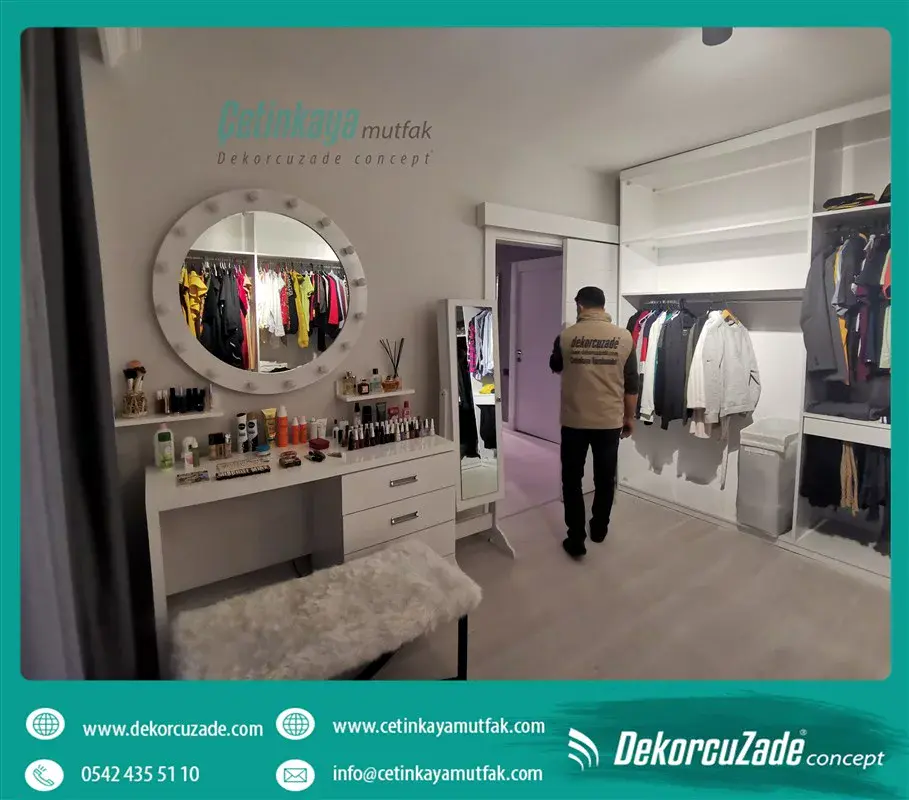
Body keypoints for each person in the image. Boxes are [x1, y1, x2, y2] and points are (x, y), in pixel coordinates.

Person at [549, 286, 639, 558]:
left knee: (572, 480)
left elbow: (555, 366)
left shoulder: (565, 336)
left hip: (574, 420)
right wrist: (629, 418)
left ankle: (576, 538)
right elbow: (631, 384)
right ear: (603, 305)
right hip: (609, 421)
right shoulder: (624, 337)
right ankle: (599, 529)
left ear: (580, 305)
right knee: (605, 478)